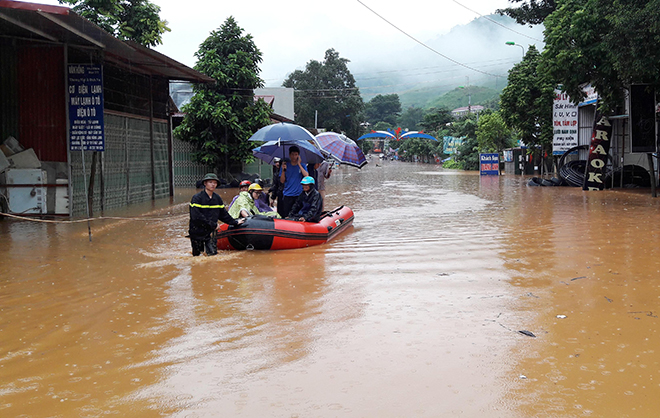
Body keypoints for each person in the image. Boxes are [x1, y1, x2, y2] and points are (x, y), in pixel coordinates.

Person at [189, 173, 244, 256]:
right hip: (197, 231)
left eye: (215, 183)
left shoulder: (217, 198)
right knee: (197, 256)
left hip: (211, 231)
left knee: (212, 254)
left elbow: (223, 214)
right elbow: (196, 216)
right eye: (210, 182)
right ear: (205, 183)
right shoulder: (197, 198)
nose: (213, 185)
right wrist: (212, 224)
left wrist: (235, 222)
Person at [277, 145, 308, 218]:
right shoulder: (285, 165)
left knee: (299, 215)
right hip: (288, 195)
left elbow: (306, 176)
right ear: (290, 155)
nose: (294, 157)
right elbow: (282, 181)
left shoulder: (302, 165)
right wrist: (283, 170)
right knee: (288, 215)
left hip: (299, 194)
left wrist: (299, 164)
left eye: (296, 155)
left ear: (298, 155)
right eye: (292, 155)